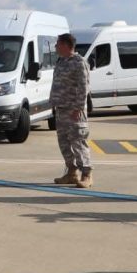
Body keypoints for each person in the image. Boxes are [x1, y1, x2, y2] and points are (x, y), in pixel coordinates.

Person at [50, 33, 92, 188]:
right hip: (61, 109)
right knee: (64, 144)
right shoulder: (61, 61)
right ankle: (71, 173)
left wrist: (78, 108)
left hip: (74, 111)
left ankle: (86, 174)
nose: (55, 47)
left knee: (78, 142)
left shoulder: (79, 62)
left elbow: (84, 87)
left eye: (57, 44)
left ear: (66, 45)